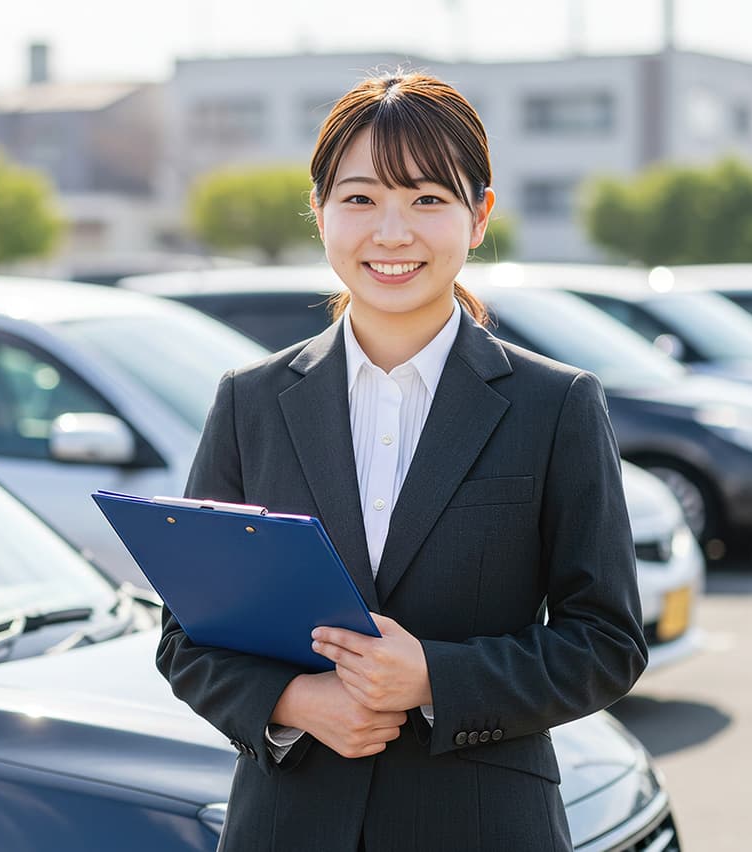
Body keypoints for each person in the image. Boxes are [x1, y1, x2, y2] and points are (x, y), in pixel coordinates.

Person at [157, 71, 647, 852]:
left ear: (478, 216)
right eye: (359, 200)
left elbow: (607, 642)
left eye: (427, 199)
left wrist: (434, 679)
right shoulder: (250, 401)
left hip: (483, 826)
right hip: (289, 826)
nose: (391, 233)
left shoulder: (555, 405)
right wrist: (294, 702)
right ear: (318, 214)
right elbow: (186, 637)